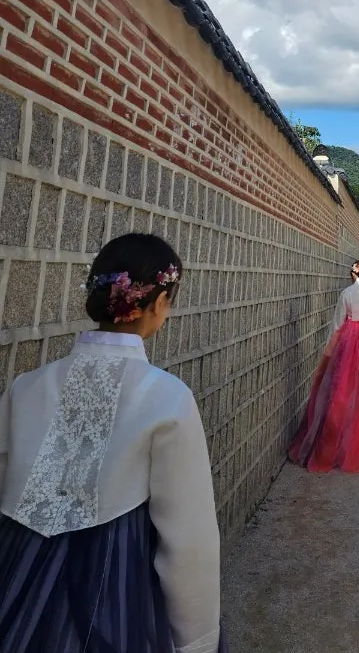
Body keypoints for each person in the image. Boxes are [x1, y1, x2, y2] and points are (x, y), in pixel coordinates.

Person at [0, 232, 225, 653]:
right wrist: (197, 638)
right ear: (159, 302)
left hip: (18, 572)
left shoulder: (26, 387)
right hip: (115, 582)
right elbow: (188, 538)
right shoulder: (168, 397)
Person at [289, 259, 359, 473]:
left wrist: (329, 351)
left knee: (344, 393)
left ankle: (338, 444)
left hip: (350, 343)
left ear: (354, 273)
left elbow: (337, 323)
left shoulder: (347, 294)